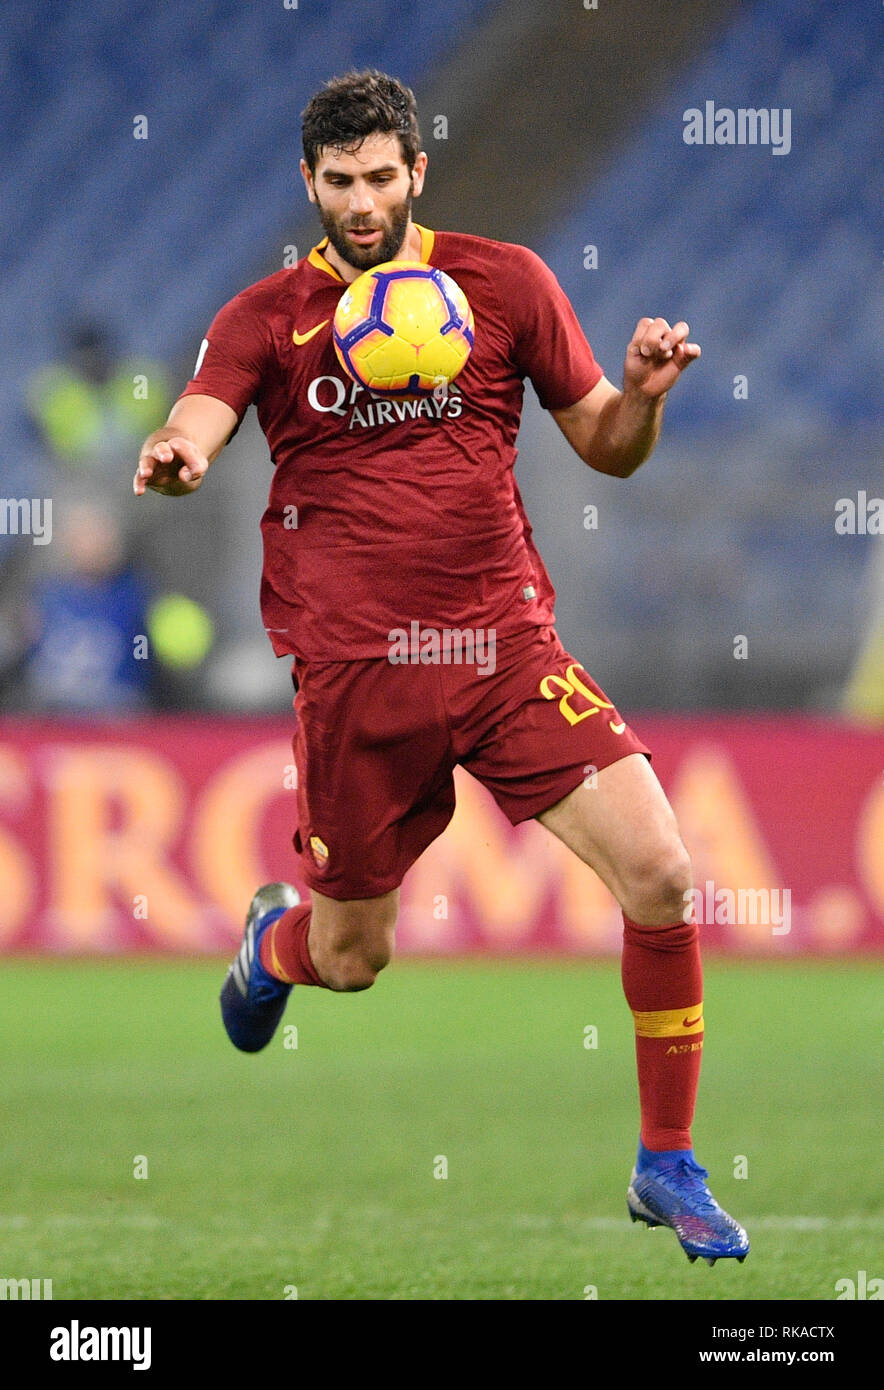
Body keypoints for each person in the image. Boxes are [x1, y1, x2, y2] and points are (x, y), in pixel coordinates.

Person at [134, 70, 748, 1266]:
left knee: (664, 873)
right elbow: (200, 415)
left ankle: (663, 1161)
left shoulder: (505, 282)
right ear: (307, 183)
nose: (359, 204)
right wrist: (176, 451)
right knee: (350, 959)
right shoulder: (265, 316)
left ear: (418, 171)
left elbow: (605, 448)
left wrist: (641, 398)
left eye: (379, 178)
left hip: (503, 648)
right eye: (336, 182)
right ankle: (272, 942)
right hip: (358, 676)